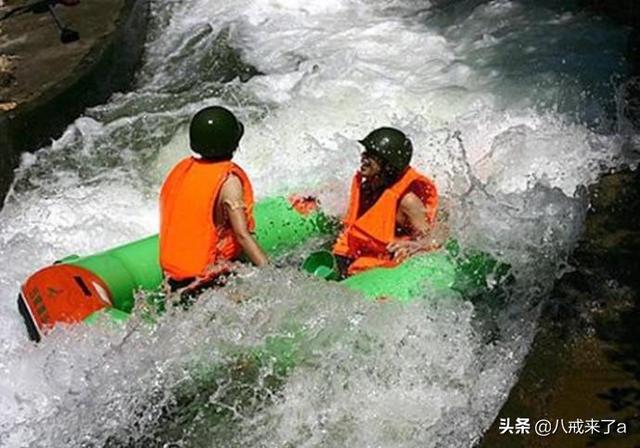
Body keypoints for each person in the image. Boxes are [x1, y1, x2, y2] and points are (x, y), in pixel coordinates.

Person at [159, 106, 268, 295]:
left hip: (173, 278)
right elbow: (242, 235)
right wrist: (270, 274)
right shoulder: (229, 182)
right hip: (208, 282)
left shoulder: (183, 170)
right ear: (234, 143)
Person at [332, 127, 440, 277]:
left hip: (385, 265)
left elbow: (433, 240)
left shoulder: (407, 201)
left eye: (372, 155)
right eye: (365, 152)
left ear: (389, 165)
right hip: (360, 256)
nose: (364, 158)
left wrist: (413, 246)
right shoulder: (367, 187)